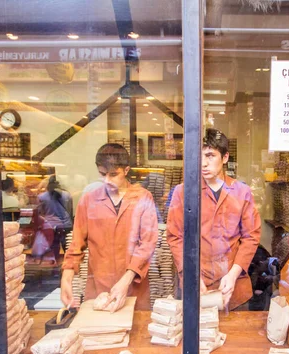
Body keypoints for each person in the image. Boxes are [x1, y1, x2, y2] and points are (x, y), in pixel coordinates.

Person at [166, 129, 261, 310]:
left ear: (225, 158)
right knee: (195, 336)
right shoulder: (183, 192)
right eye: (199, 156)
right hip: (196, 285)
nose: (203, 163)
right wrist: (190, 274)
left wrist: (233, 274)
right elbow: (175, 237)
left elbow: (251, 237)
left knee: (238, 335)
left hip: (234, 286)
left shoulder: (241, 192)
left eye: (210, 155)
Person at [60, 143, 158, 311]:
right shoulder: (89, 200)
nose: (107, 180)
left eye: (113, 174)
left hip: (134, 285)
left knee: (137, 333)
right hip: (99, 286)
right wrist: (66, 278)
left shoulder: (143, 198)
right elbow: (76, 245)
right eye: (103, 174)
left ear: (126, 170)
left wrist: (126, 280)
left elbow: (147, 244)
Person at [32, 175, 73, 265]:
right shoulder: (67, 195)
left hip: (50, 225)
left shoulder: (42, 197)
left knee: (55, 246)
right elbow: (70, 211)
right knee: (68, 247)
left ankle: (56, 264)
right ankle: (68, 266)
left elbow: (40, 213)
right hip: (66, 224)